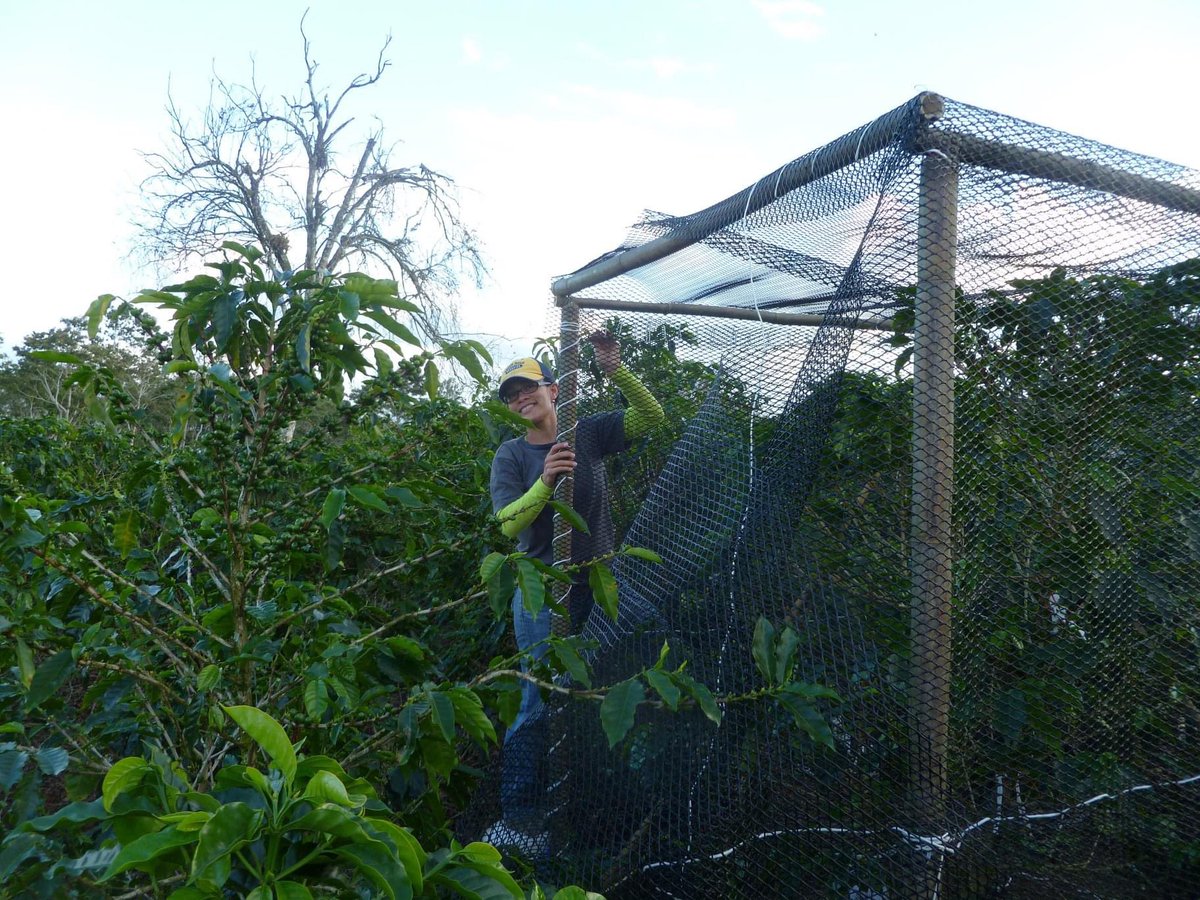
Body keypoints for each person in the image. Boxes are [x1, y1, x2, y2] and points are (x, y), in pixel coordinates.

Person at [486, 331, 665, 849]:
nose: (521, 398)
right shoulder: (512, 456)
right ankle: (519, 819)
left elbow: (651, 418)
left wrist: (615, 370)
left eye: (529, 388)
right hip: (543, 590)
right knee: (538, 696)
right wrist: (545, 482)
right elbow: (505, 526)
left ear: (554, 389)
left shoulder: (587, 434)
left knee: (627, 659)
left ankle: (603, 793)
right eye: (511, 394)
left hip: (600, 582)